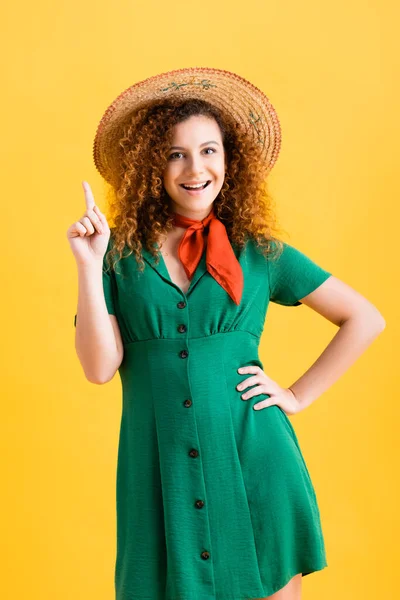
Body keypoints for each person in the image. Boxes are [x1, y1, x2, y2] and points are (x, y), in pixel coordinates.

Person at [66, 67, 385, 600]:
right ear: (153, 166)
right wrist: (87, 263)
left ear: (229, 161)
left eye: (209, 150)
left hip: (254, 462)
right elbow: (99, 369)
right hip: (158, 476)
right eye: (176, 154)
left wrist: (297, 395)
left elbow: (365, 318)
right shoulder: (115, 256)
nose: (196, 168)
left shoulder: (260, 254)